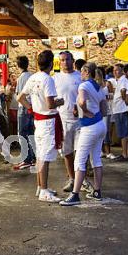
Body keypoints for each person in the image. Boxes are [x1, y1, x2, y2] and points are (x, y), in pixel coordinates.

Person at [17, 50, 64, 203]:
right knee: (44, 156)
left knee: (41, 155)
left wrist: (31, 109)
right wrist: (60, 102)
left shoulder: (33, 78)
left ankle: (41, 186)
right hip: (48, 121)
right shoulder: (47, 80)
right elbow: (50, 103)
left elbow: (20, 97)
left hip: (39, 119)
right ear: (51, 63)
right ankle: (43, 190)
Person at [60, 62, 108, 206]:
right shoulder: (100, 86)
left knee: (79, 160)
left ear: (86, 72)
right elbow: (104, 109)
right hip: (100, 125)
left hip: (89, 127)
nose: (80, 74)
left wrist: (85, 112)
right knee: (96, 159)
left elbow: (81, 101)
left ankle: (75, 195)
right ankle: (97, 191)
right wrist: (92, 111)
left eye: (81, 71)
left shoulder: (83, 86)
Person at [53, 51, 82, 193]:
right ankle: (72, 179)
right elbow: (51, 99)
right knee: (67, 152)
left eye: (67, 59)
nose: (65, 62)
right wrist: (58, 102)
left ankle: (80, 178)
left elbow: (86, 95)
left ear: (73, 60)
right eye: (62, 60)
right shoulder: (56, 78)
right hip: (63, 119)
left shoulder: (80, 76)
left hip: (80, 120)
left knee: (81, 151)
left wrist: (79, 106)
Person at [14, 55, 35, 170]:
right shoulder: (32, 75)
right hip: (32, 106)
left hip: (24, 107)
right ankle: (32, 157)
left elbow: (20, 95)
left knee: (22, 133)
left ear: (18, 65)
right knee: (31, 133)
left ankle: (26, 158)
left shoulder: (21, 78)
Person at [112, 63, 128, 161]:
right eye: (114, 70)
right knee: (125, 132)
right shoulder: (120, 80)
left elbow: (123, 91)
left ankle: (124, 153)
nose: (114, 72)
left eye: (117, 70)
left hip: (121, 109)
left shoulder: (123, 79)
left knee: (123, 133)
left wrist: (124, 100)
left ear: (122, 71)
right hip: (120, 109)